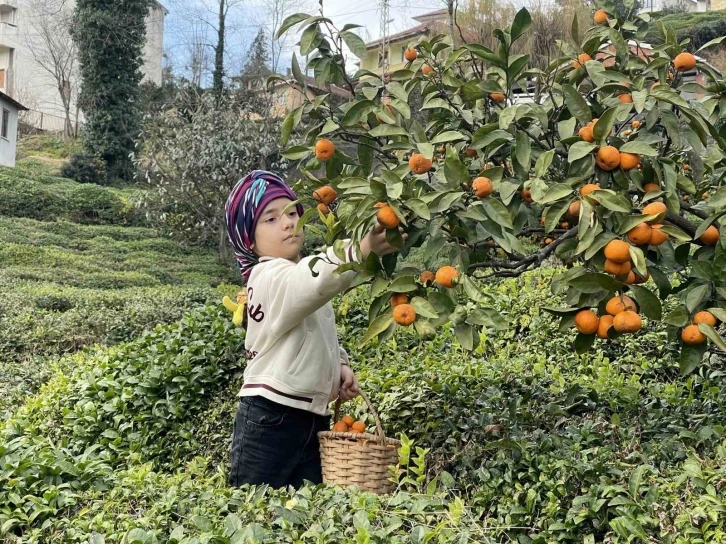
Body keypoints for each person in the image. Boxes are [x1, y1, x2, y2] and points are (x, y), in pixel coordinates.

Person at [224, 170, 405, 488]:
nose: (289, 222)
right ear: (249, 239)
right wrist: (360, 248)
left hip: (311, 416)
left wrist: (339, 364)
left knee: (305, 517)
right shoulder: (267, 276)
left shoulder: (296, 273)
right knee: (250, 512)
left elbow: (315, 329)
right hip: (271, 416)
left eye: (292, 212)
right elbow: (312, 282)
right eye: (270, 219)